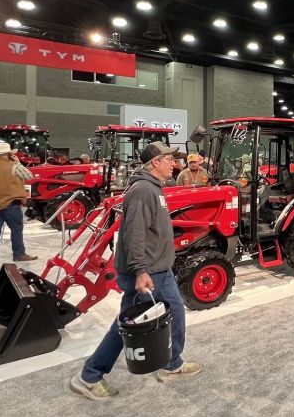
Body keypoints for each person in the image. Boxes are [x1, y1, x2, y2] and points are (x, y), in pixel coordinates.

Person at [70, 141, 202, 400]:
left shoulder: (154, 188)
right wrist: (141, 270)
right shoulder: (143, 190)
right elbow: (134, 234)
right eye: (169, 159)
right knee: (134, 323)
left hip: (157, 268)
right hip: (148, 271)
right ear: (155, 162)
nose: (174, 163)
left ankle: (169, 363)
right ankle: (90, 375)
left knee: (154, 317)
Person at [0, 143, 36, 270]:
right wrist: (18, 163)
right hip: (10, 206)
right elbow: (29, 176)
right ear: (9, 154)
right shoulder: (14, 166)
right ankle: (19, 254)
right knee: (16, 230)